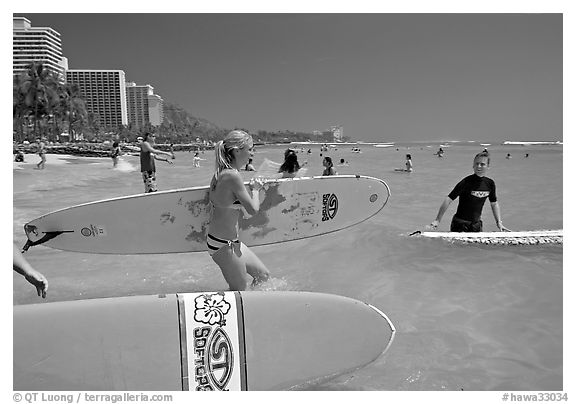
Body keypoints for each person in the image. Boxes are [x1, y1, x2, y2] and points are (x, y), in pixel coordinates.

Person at [207, 130, 270, 290]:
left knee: (262, 276)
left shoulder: (223, 173)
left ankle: (251, 307)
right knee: (240, 290)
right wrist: (256, 189)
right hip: (223, 244)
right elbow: (253, 210)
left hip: (231, 242)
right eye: (250, 149)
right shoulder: (231, 175)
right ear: (237, 150)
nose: (252, 153)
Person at [428, 152, 509, 232]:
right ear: (473, 165)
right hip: (460, 224)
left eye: (482, 164)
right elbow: (448, 199)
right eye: (476, 164)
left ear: (488, 166)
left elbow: (494, 203)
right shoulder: (466, 182)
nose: (479, 166)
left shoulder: (490, 184)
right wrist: (437, 220)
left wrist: (499, 222)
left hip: (476, 225)